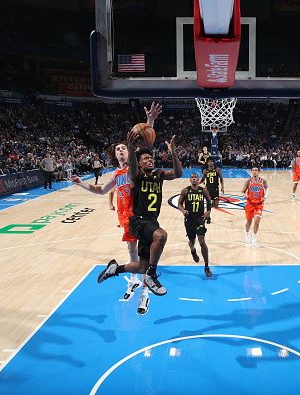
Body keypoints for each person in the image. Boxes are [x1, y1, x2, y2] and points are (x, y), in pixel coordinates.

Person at [72, 103, 162, 315]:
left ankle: (145, 295)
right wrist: (80, 183)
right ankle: (133, 280)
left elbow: (143, 141)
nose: (122, 149)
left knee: (145, 256)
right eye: (119, 148)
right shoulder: (115, 174)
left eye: (124, 147)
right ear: (115, 154)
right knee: (131, 251)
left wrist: (150, 121)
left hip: (140, 214)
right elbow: (101, 190)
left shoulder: (135, 166)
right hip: (125, 216)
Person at [98, 129, 183, 296]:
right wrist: (130, 146)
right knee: (161, 236)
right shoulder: (136, 176)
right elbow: (132, 165)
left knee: (142, 265)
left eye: (151, 158)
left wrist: (173, 153)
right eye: (145, 158)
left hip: (150, 221)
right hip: (137, 221)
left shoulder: (159, 174)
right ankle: (151, 276)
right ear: (139, 163)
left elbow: (178, 173)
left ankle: (115, 269)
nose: (150, 160)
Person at [178, 173, 213, 278]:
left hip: (200, 218)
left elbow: (209, 201)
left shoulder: (203, 190)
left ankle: (206, 267)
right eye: (192, 177)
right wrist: (183, 210)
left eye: (195, 178)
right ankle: (193, 250)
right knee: (192, 241)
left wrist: (208, 211)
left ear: (198, 179)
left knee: (202, 242)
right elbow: (179, 203)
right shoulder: (185, 190)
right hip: (189, 219)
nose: (194, 179)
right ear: (190, 180)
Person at [242, 166, 268, 246]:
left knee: (257, 221)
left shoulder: (263, 181)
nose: (254, 172)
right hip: (249, 204)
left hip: (259, 204)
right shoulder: (248, 181)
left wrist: (265, 197)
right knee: (248, 222)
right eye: (253, 170)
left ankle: (254, 236)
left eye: (256, 170)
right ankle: (247, 234)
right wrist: (244, 195)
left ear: (258, 171)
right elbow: (243, 191)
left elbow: (267, 189)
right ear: (251, 172)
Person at [200, 157, 224, 223]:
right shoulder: (205, 171)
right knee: (208, 204)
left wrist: (222, 187)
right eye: (209, 161)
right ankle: (208, 217)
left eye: (211, 161)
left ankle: (211, 206)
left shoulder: (217, 170)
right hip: (208, 189)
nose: (210, 162)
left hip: (216, 189)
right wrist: (197, 184)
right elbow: (202, 179)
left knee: (216, 206)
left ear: (213, 162)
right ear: (207, 163)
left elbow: (221, 179)